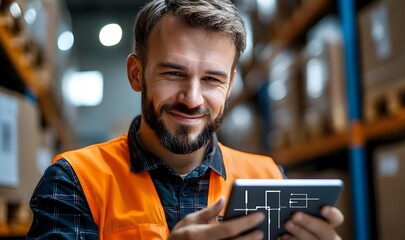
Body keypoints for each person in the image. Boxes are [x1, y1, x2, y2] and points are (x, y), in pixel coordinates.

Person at [26, 0, 344, 239]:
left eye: (211, 80)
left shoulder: (268, 178)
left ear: (230, 85)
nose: (192, 99)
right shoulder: (74, 180)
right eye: (174, 73)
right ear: (136, 74)